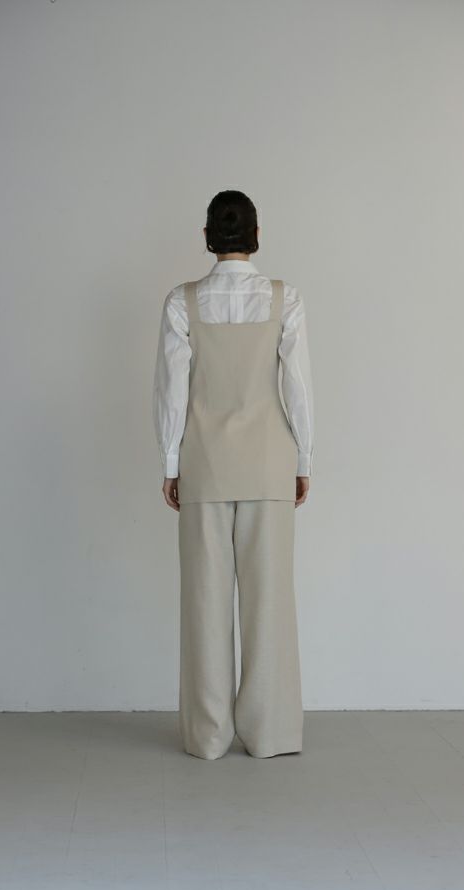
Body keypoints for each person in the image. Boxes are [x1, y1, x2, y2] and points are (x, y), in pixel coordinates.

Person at [152, 190, 314, 759]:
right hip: (269, 462)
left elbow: (172, 391)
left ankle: (208, 734)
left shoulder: (182, 303)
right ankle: (270, 733)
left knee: (205, 601)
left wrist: (170, 463)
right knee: (270, 603)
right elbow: (298, 387)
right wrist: (304, 459)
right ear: (256, 236)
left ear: (206, 237)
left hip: (204, 463)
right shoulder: (285, 299)